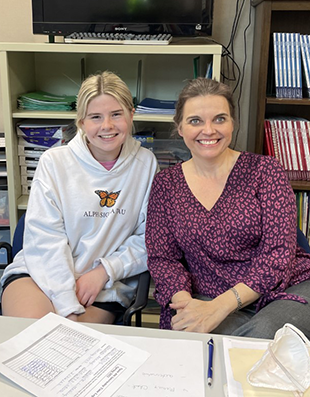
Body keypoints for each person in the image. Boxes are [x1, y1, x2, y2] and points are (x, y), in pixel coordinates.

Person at [145, 77, 310, 339]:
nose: (208, 130)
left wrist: (221, 306)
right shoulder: (166, 184)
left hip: (286, 289)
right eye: (195, 120)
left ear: (233, 123)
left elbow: (278, 255)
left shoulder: (265, 172)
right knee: (198, 342)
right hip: (206, 295)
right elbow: (163, 258)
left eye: (220, 119)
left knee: (262, 336)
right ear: (179, 127)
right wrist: (185, 303)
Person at [1, 71, 158, 323]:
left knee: (75, 349)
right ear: (82, 122)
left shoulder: (145, 164)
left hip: (103, 286)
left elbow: (148, 238)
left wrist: (104, 271)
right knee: (34, 338)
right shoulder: (54, 162)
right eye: (95, 117)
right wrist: (65, 302)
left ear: (131, 114)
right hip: (38, 274)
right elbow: (44, 238)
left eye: (116, 114)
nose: (107, 126)